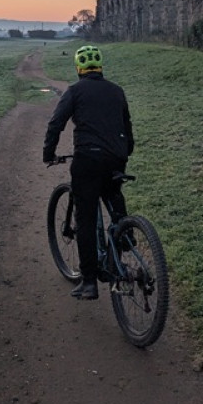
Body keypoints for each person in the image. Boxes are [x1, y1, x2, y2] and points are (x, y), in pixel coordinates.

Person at [42, 44, 134, 300]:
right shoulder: (117, 91)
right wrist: (127, 151)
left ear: (79, 68)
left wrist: (48, 153)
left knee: (85, 217)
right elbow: (127, 125)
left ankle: (89, 281)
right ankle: (126, 236)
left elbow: (56, 124)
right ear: (101, 66)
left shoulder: (75, 91)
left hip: (88, 159)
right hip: (117, 157)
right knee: (113, 191)